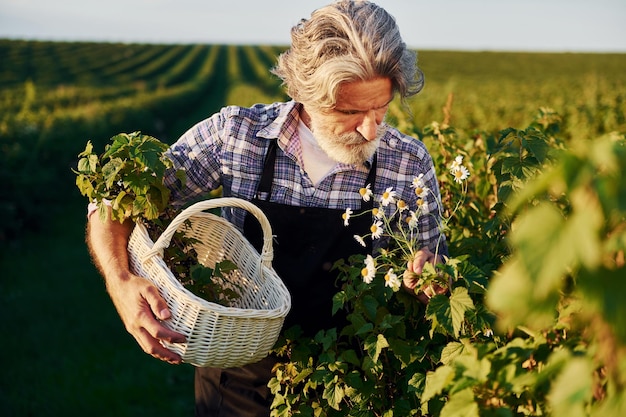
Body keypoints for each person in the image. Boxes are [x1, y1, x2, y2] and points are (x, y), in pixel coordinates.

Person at [86, 1, 448, 415]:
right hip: (238, 381)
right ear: (306, 94)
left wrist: (429, 278)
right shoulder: (238, 137)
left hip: (350, 384)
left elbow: (434, 262)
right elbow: (115, 201)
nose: (370, 129)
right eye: (350, 113)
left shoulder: (408, 162)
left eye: (380, 110)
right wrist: (120, 283)